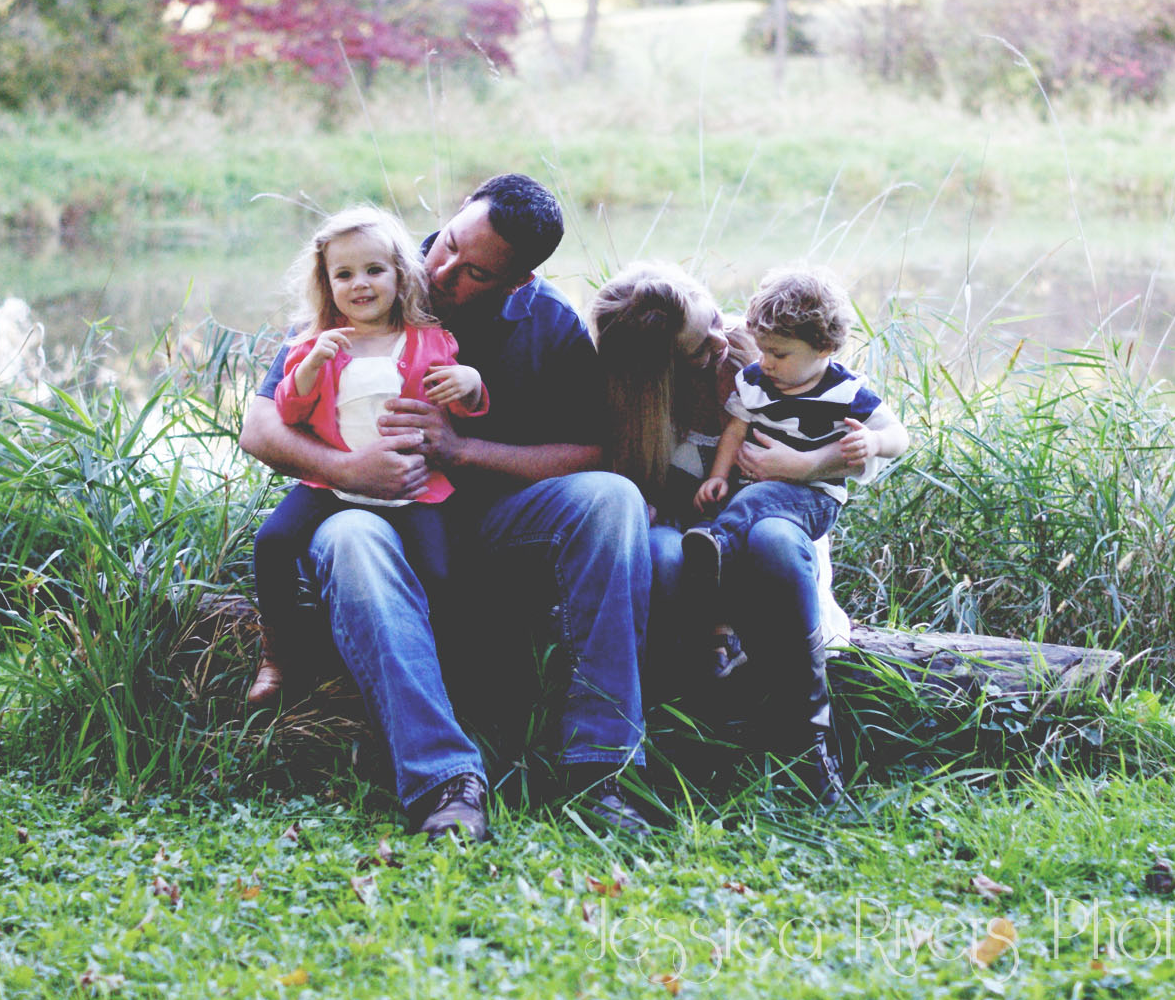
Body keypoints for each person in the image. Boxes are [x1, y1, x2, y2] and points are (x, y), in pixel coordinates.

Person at [240, 174, 652, 843]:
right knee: (349, 539)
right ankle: (444, 781)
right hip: (369, 512)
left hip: (496, 526)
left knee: (613, 500)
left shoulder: (548, 323)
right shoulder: (371, 273)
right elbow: (260, 427)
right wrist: (348, 470)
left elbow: (593, 453)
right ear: (459, 211)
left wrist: (461, 449)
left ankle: (602, 770)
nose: (443, 271)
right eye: (451, 244)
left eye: (475, 273)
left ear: (517, 282)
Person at [590, 263, 906, 810]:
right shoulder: (644, 400)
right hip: (689, 534)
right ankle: (682, 733)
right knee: (664, 555)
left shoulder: (772, 354)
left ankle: (808, 743)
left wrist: (806, 466)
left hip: (769, 530)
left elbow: (860, 438)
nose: (723, 338)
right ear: (659, 368)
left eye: (714, 318)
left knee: (774, 542)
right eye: (698, 346)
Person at [247, 207, 487, 710]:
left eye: (374, 270)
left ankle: (444, 668)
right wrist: (310, 366)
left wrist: (471, 384)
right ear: (327, 283)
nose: (360, 283)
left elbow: (460, 412)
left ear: (400, 275)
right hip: (333, 485)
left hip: (412, 485)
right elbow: (289, 410)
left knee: (441, 571)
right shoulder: (317, 344)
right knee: (272, 541)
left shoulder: (430, 340)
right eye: (344, 274)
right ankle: (278, 653)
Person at [683, 268, 909, 683]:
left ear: (824, 347)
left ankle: (718, 545)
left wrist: (875, 443)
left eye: (779, 354)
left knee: (744, 510)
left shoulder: (846, 392)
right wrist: (717, 476)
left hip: (813, 498)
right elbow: (734, 430)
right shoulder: (755, 382)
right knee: (737, 507)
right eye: (762, 350)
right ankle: (725, 630)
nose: (765, 362)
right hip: (754, 493)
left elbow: (899, 435)